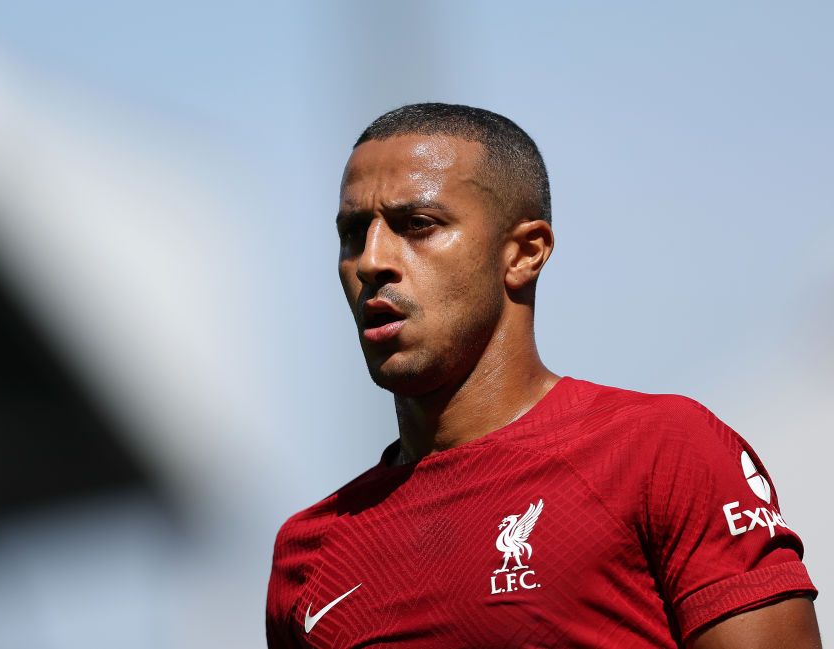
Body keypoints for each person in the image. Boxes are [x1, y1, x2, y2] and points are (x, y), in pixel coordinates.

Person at [265, 103, 820, 648]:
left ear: (525, 252)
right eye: (353, 233)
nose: (370, 261)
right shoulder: (310, 553)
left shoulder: (659, 452)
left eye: (419, 225)